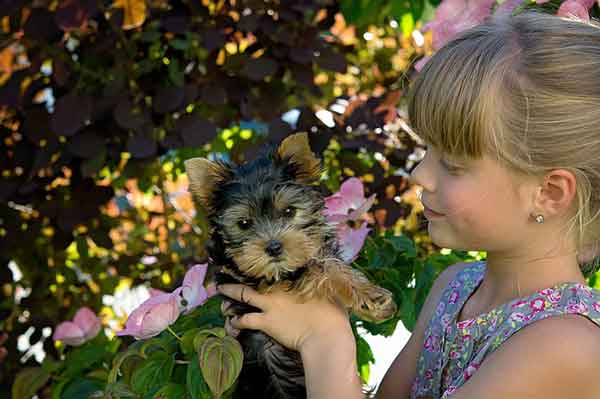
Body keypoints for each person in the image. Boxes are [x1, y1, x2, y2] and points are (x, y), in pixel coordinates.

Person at [217, 9, 600, 399]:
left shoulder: (564, 346)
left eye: (452, 165)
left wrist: (325, 341)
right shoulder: (457, 287)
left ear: (548, 194)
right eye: (426, 150)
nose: (420, 174)